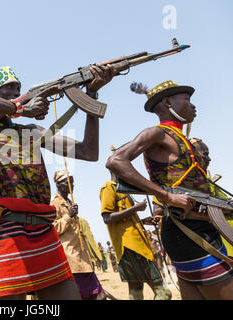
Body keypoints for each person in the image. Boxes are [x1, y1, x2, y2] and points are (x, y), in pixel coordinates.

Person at [0, 64, 115, 300]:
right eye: (8, 89)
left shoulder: (31, 132)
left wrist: (91, 96)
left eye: (18, 88)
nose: (15, 92)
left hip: (43, 229)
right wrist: (19, 107)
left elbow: (88, 152)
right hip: (5, 231)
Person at [106, 80, 233, 299]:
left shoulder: (178, 136)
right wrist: (165, 196)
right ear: (167, 102)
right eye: (187, 99)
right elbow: (115, 161)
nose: (193, 105)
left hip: (195, 227)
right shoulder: (158, 133)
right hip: (187, 229)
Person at [99, 172, 171, 300]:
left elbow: (125, 221)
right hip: (132, 247)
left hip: (134, 246)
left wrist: (142, 221)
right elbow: (107, 218)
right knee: (164, 292)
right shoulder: (109, 187)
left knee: (136, 291)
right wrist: (135, 208)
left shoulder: (123, 190)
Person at [51, 170, 105, 300]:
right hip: (70, 257)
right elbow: (53, 228)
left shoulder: (69, 201)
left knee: (99, 296)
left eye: (72, 182)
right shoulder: (54, 202)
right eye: (67, 182)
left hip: (82, 257)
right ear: (58, 184)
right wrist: (68, 216)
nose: (72, 185)